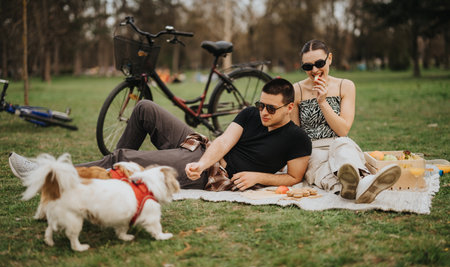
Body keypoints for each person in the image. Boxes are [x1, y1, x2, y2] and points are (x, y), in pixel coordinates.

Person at [9, 78, 312, 191]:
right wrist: (204, 159)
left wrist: (260, 177)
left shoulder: (297, 138)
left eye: (271, 109)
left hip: (214, 173)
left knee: (124, 157)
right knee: (144, 108)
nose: (263, 112)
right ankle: (109, 173)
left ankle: (51, 174)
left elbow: (294, 177)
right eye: (261, 105)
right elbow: (222, 141)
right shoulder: (250, 114)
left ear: (289, 107)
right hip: (204, 153)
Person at [291, 40, 401, 203]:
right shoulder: (296, 90)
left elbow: (343, 130)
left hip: (338, 142)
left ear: (329, 59)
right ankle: (359, 186)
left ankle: (356, 181)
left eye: (319, 63)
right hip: (311, 148)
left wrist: (322, 101)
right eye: (307, 67)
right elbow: (296, 135)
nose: (314, 70)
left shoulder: (345, 86)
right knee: (320, 165)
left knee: (344, 148)